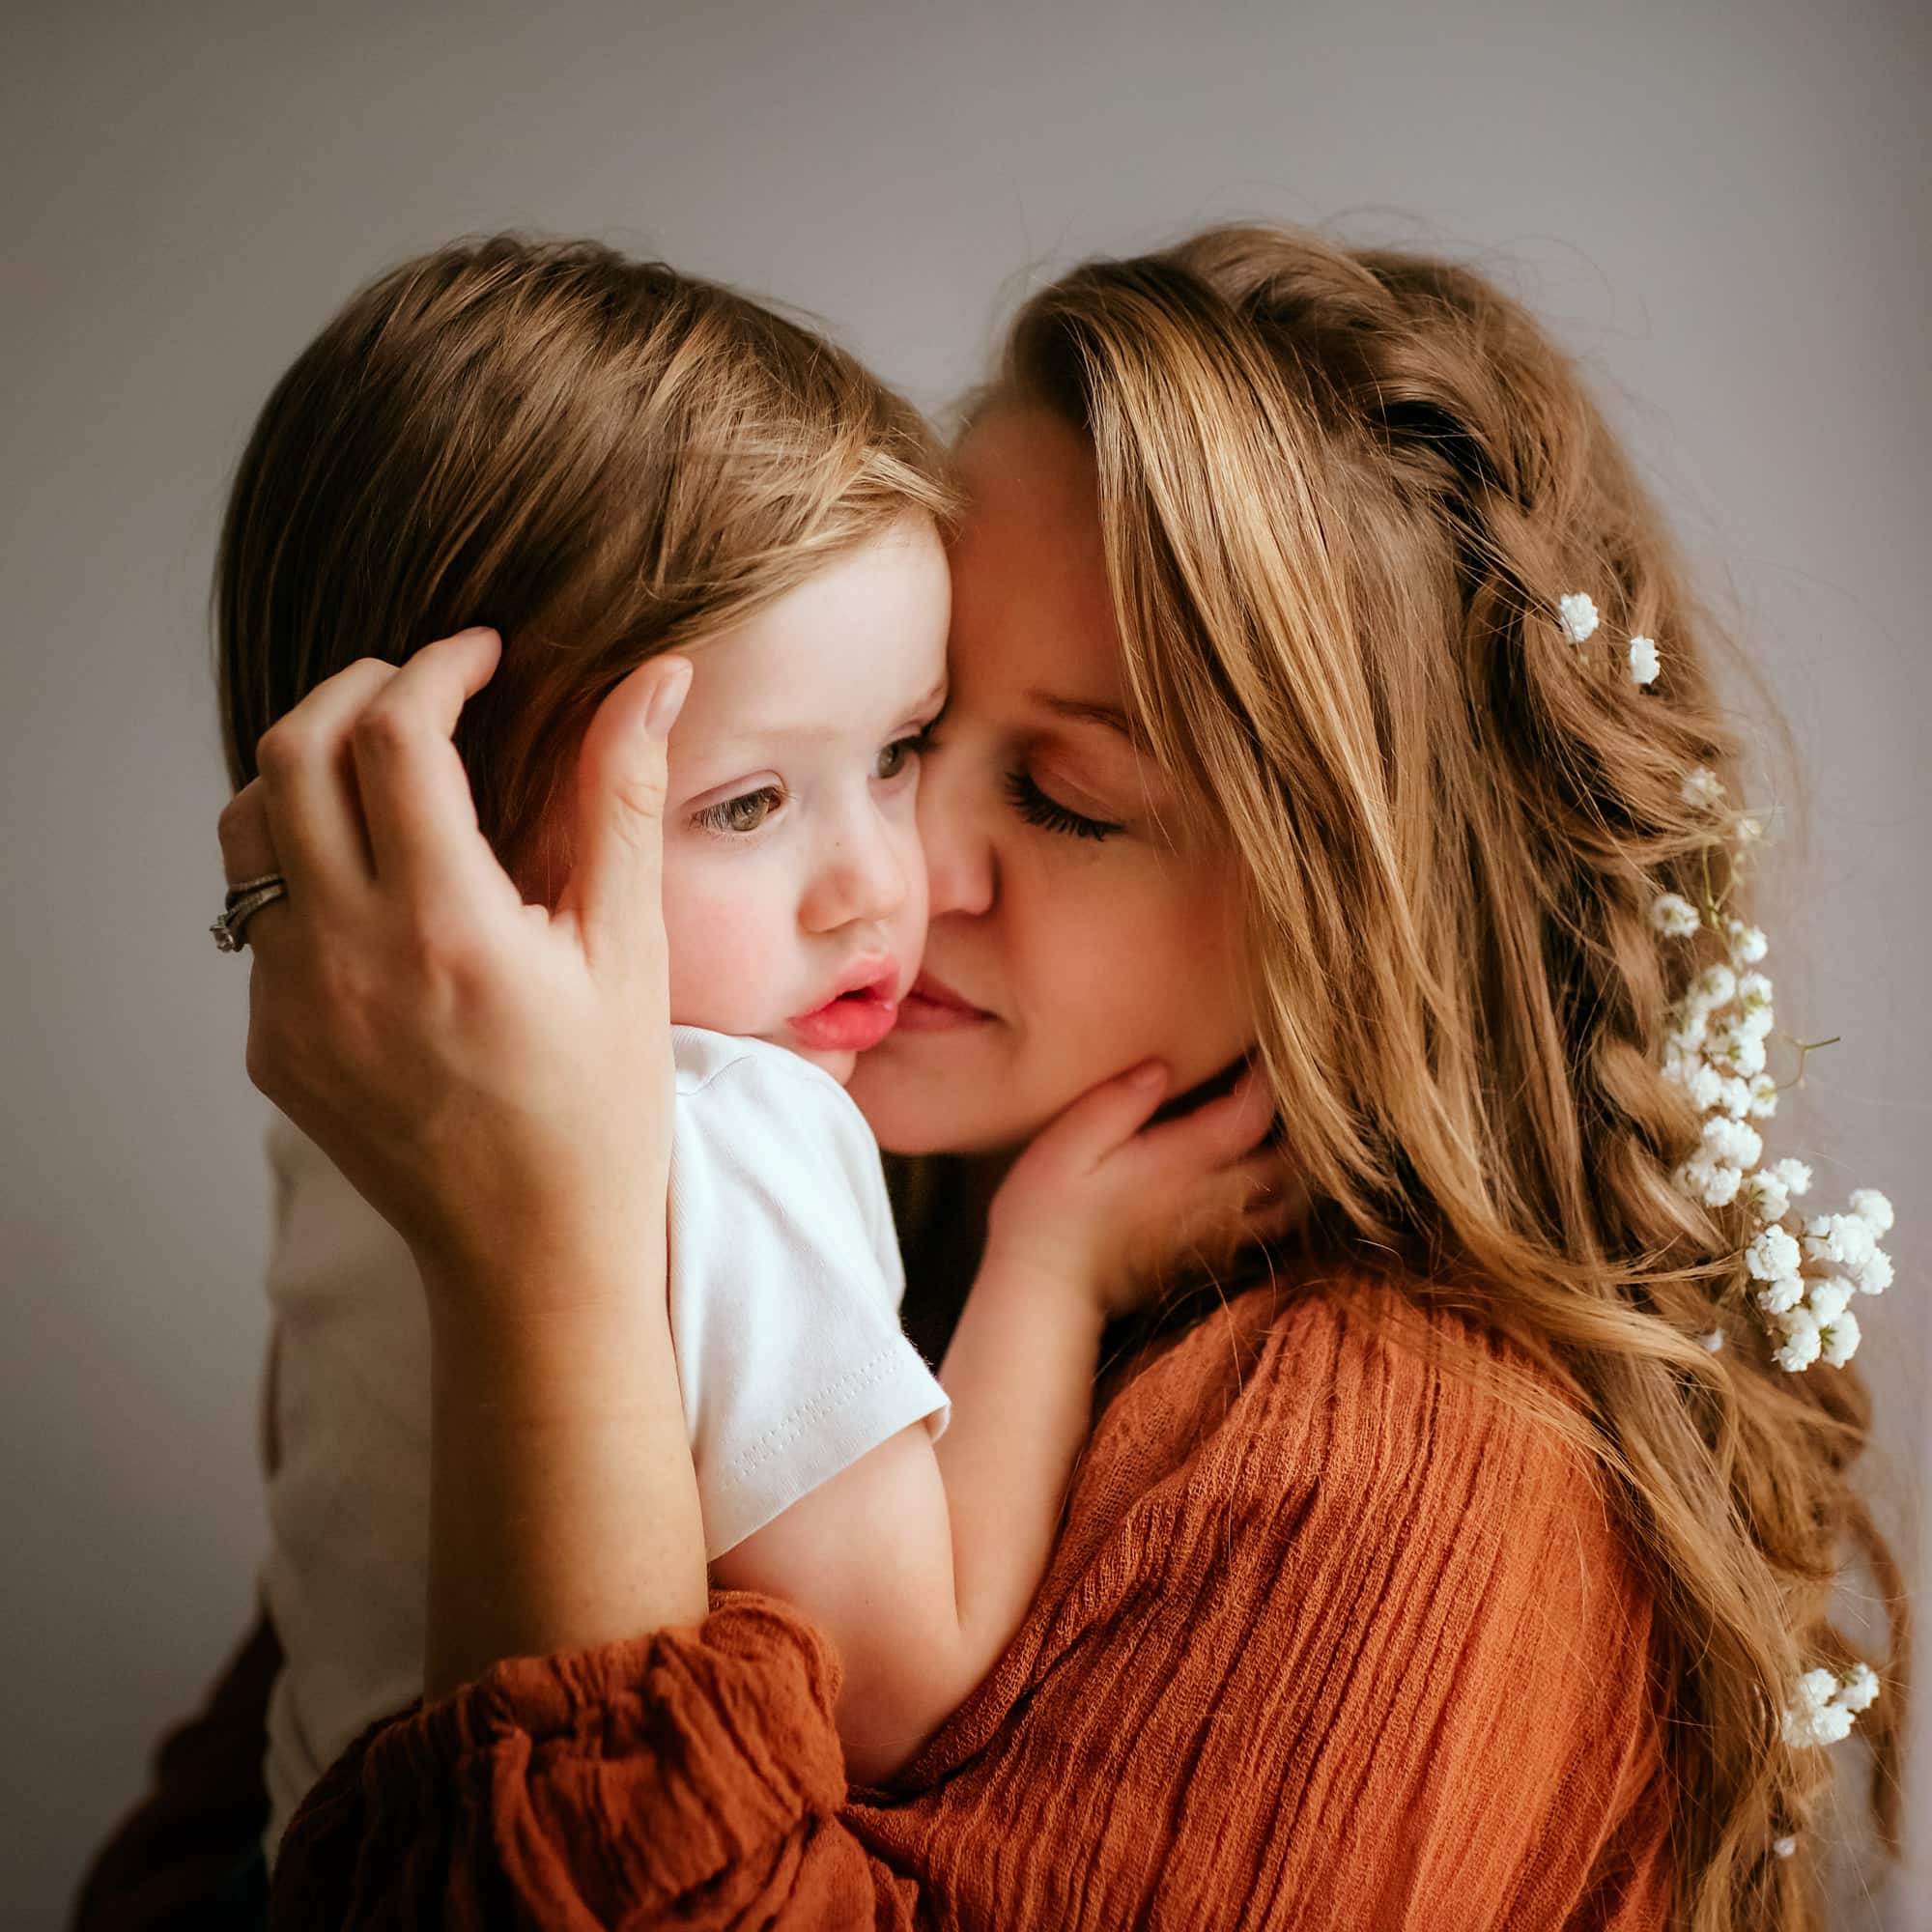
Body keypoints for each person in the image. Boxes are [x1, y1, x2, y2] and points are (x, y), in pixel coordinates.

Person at [74, 224, 1907, 1931]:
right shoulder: (781, 1164)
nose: (898, 871)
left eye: (1063, 796)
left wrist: (545, 1276)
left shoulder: (1398, 1477)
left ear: (1359, 920)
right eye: (916, 730)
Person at [204, 238, 1289, 1874]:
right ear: (440, 827)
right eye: (746, 805)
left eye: (895, 754)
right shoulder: (738, 1125)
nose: (887, 881)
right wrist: (1050, 1275)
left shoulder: (341, 1117)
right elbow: (903, 1686)